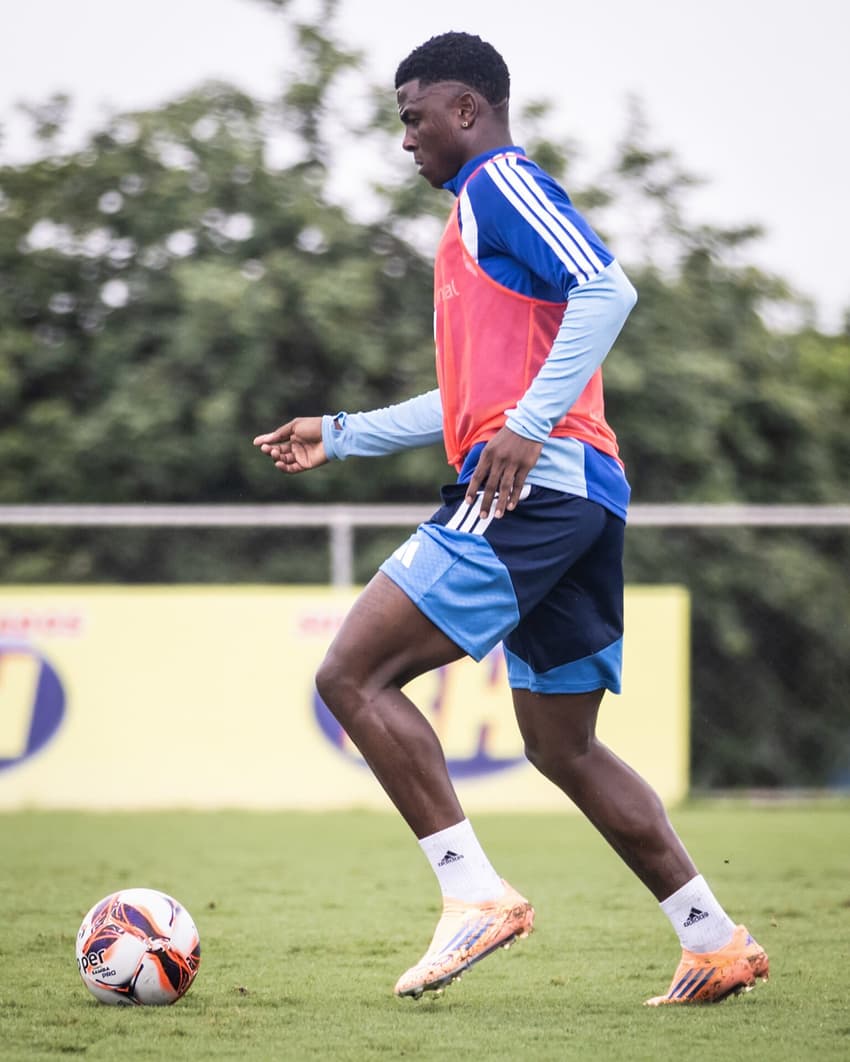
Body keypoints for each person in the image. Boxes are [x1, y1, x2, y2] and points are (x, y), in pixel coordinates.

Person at [254, 31, 769, 1005]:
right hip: (577, 496)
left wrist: (529, 428)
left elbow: (608, 288)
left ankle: (473, 894)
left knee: (351, 673)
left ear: (467, 109)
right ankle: (713, 940)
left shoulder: (499, 184)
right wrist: (344, 433)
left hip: (535, 491)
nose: (406, 139)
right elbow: (464, 400)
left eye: (414, 118)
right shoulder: (469, 226)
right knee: (561, 745)